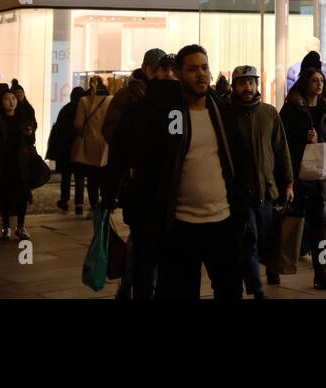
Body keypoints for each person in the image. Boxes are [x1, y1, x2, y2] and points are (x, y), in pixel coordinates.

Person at [136, 44, 245, 299]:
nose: (201, 75)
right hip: (182, 227)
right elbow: (156, 166)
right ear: (179, 73)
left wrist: (240, 208)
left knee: (230, 291)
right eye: (193, 69)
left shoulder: (222, 112)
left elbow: (240, 163)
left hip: (222, 223)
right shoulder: (171, 115)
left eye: (204, 68)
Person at [111, 51, 178, 299]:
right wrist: (112, 189)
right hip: (144, 195)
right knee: (144, 257)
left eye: (173, 69)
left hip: (173, 196)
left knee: (165, 261)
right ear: (153, 72)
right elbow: (118, 147)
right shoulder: (137, 106)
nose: (169, 74)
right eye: (164, 69)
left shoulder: (183, 107)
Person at [231, 64, 293, 298]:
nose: (247, 87)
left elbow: (281, 150)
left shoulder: (269, 113)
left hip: (266, 191)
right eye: (242, 83)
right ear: (234, 86)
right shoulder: (228, 114)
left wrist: (288, 183)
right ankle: (256, 289)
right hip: (241, 193)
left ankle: (259, 275)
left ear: (256, 85)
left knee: (263, 239)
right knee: (250, 240)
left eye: (250, 82)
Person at [280, 66, 326, 290]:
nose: (319, 84)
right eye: (315, 80)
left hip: (317, 175)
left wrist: (319, 141)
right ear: (305, 83)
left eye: (321, 81)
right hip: (295, 174)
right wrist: (302, 141)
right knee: (285, 222)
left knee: (321, 227)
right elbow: (281, 141)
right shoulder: (291, 109)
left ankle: (321, 271)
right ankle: (274, 265)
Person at [0, 90, 36, 241]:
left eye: (13, 98)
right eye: (7, 99)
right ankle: (5, 226)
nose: (11, 101)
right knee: (5, 195)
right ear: (1, 102)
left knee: (22, 194)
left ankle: (21, 226)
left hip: (21, 162)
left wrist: (29, 134)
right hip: (4, 161)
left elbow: (30, 140)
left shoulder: (23, 117)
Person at [71, 77, 111, 213]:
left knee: (92, 179)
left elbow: (78, 124)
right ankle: (106, 204)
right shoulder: (110, 100)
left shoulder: (84, 101)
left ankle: (94, 205)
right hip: (106, 145)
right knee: (105, 177)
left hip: (89, 144)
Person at [46, 87, 85, 214]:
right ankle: (79, 204)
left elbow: (58, 130)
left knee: (66, 178)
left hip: (65, 150)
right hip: (79, 148)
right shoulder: (83, 110)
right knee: (79, 177)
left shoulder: (65, 109)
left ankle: (64, 201)